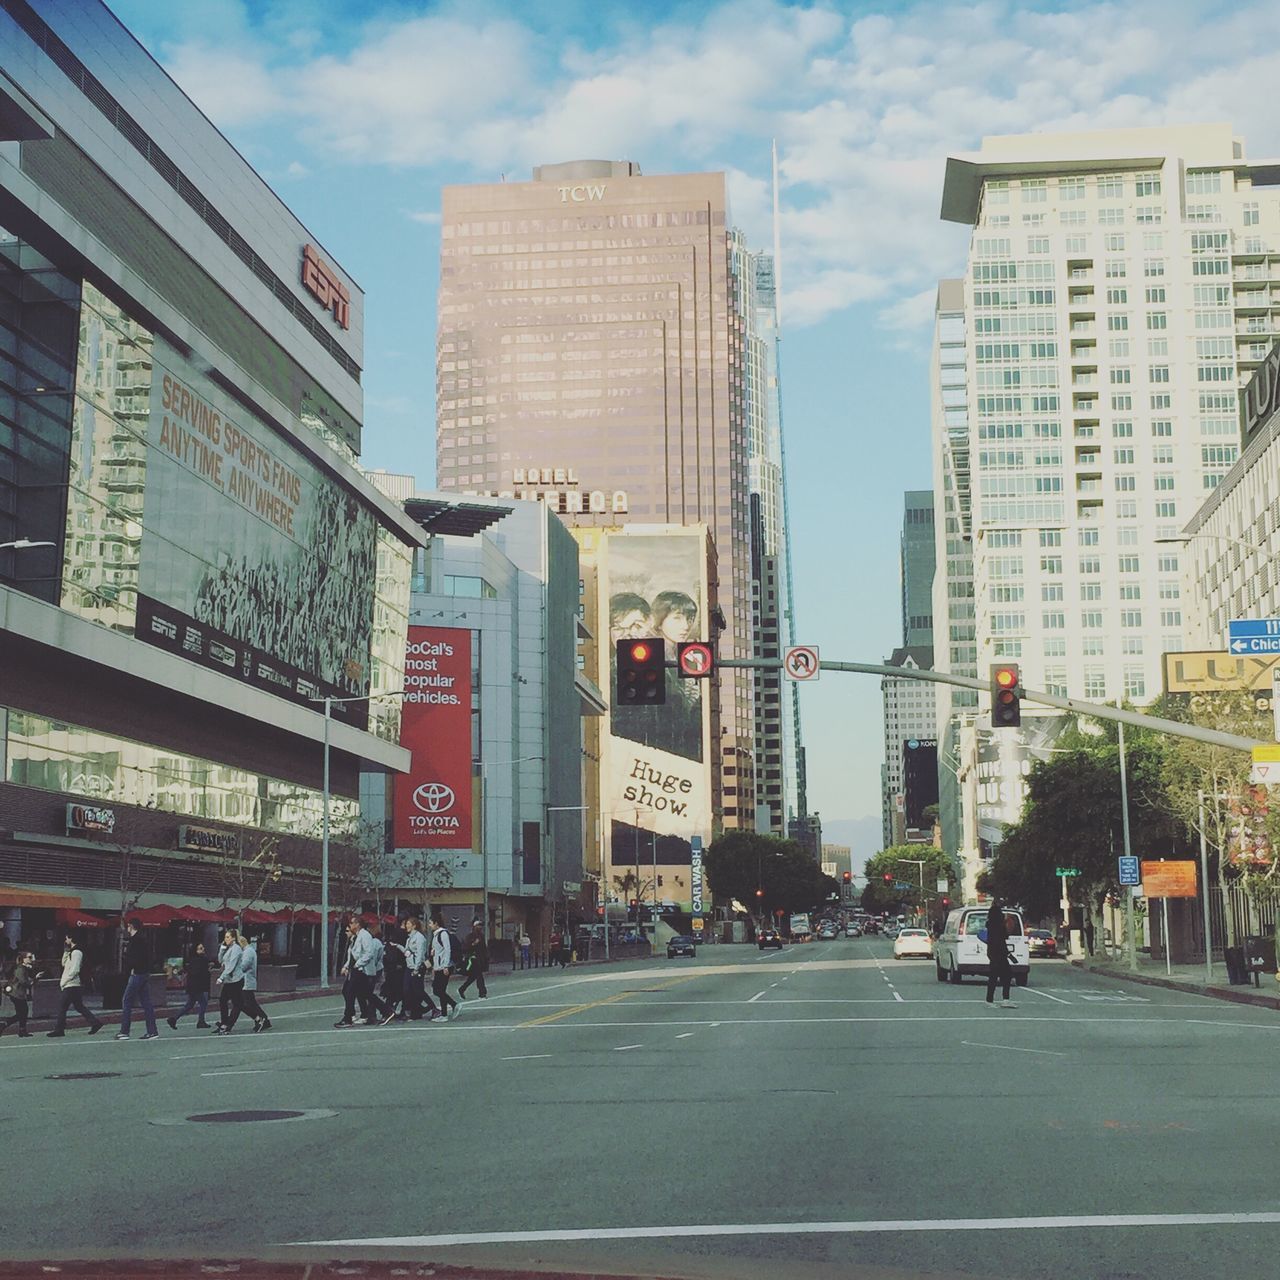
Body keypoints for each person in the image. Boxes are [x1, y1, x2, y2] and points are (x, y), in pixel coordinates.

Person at [48, 932, 103, 1037]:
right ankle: (95, 1022)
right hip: (72, 984)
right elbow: (64, 964)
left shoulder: (77, 952)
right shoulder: (71, 952)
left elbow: (75, 969)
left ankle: (59, 1029)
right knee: (79, 1006)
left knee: (62, 1007)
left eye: (67, 939)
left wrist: (64, 981)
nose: (65, 941)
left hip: (71, 984)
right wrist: (65, 952)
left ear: (71, 939)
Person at [117, 918, 160, 1040]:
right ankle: (152, 1031)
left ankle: (125, 1031)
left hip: (136, 973)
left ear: (131, 926)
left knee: (127, 1000)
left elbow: (132, 959)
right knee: (146, 1002)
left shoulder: (135, 941)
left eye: (128, 926)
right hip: (144, 973)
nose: (127, 929)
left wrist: (129, 969)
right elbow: (148, 957)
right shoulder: (144, 940)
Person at [228, 935, 271, 1033]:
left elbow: (244, 966)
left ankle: (262, 1019)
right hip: (244, 981)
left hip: (246, 981)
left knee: (246, 1003)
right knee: (248, 1003)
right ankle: (264, 1019)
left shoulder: (248, 952)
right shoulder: (247, 951)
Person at [167, 942, 212, 1030]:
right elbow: (198, 972)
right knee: (203, 1003)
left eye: (202, 948)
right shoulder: (201, 959)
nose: (203, 949)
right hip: (198, 986)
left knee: (190, 1004)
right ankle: (201, 1021)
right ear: (196, 950)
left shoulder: (192, 959)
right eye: (200, 948)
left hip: (192, 985)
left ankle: (174, 1018)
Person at [984, 897, 1016, 1009]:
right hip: (1000, 954)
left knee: (995, 977)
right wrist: (1009, 955)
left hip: (993, 953)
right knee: (1005, 976)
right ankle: (1002, 999)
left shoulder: (990, 925)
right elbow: (1003, 939)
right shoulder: (999, 926)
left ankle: (992, 999)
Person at [212, 928, 245, 1034]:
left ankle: (228, 1024)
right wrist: (222, 949)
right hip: (229, 980)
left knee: (237, 1003)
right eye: (225, 937)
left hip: (235, 979)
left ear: (233, 938)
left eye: (228, 937)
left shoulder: (236, 949)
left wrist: (221, 977)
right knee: (223, 1001)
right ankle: (224, 1023)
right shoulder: (228, 948)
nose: (225, 939)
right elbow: (220, 960)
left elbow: (231, 965)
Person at [1, 950, 38, 1037]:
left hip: (19, 994)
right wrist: (35, 979)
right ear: (23, 959)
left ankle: (21, 1030)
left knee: (22, 1012)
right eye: (29, 957)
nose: (31, 959)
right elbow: (24, 982)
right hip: (16, 993)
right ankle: (6, 1025)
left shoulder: (24, 968)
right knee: (22, 1012)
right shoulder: (20, 969)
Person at [429, 919, 458, 1019]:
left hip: (444, 966)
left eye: (430, 923)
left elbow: (447, 949)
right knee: (438, 990)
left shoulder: (443, 934)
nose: (429, 925)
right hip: (438, 966)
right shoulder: (435, 935)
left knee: (439, 990)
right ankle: (446, 1012)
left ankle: (452, 1007)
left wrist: (445, 965)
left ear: (436, 923)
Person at [457, 919, 488, 1000]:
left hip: (479, 959)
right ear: (474, 926)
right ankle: (482, 993)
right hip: (472, 959)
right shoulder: (470, 936)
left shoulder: (481, 936)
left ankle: (461, 989)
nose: (480, 927)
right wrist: (473, 944)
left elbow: (484, 949)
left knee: (473, 977)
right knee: (479, 976)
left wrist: (486, 958)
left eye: (481, 925)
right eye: (478, 925)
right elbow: (465, 948)